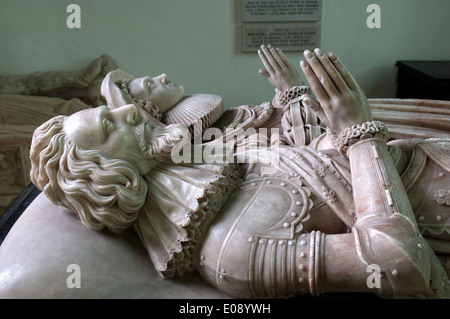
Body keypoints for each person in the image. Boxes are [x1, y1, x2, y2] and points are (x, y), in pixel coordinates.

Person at [29, 46, 450, 298]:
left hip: (427, 157)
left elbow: (303, 156)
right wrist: (359, 132)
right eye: (109, 126)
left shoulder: (206, 158)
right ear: (113, 175)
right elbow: (399, 263)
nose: (128, 112)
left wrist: (299, 99)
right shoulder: (232, 250)